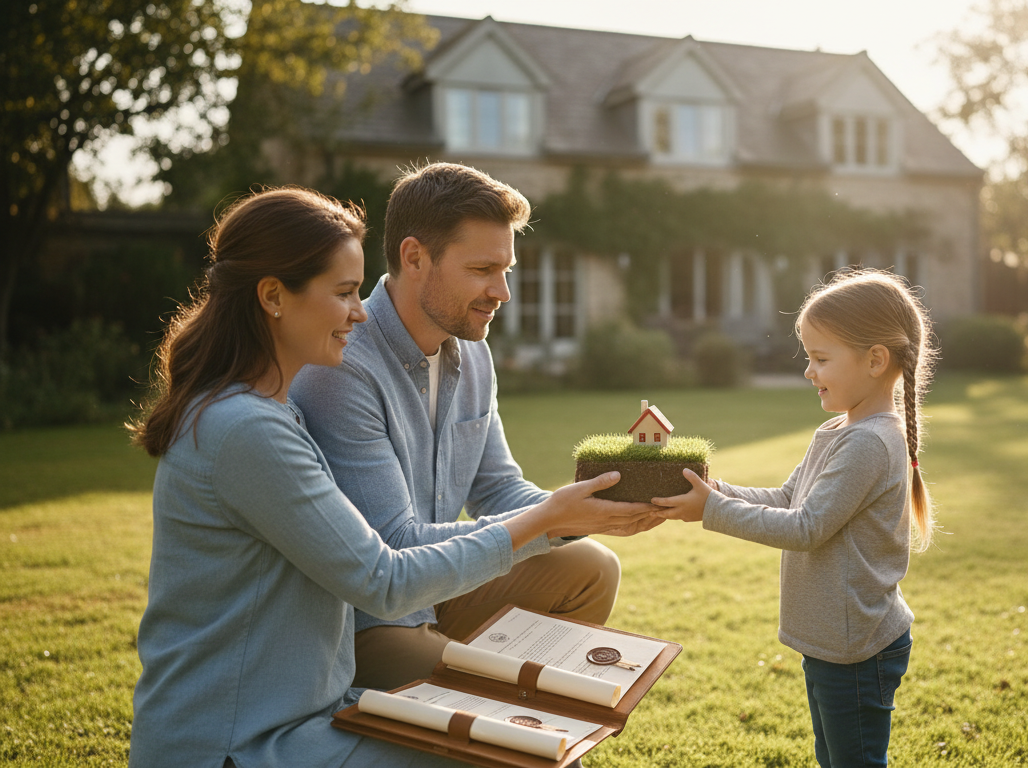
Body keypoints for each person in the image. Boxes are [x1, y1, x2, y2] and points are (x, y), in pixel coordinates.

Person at [126, 187, 651, 768]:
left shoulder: (271, 412)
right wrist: (548, 519)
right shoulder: (252, 428)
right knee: (517, 750)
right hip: (240, 743)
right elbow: (383, 577)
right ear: (273, 297)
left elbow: (483, 497)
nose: (358, 310)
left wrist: (576, 513)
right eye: (345, 292)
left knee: (531, 740)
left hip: (310, 708)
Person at [290, 163, 653, 692]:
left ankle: (512, 696)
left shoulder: (474, 355)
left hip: (442, 586)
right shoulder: (342, 370)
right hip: (366, 619)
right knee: (494, 690)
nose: (502, 292)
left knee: (591, 567)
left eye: (506, 270)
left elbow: (497, 488)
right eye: (483, 269)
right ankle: (499, 702)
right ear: (415, 258)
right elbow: (395, 547)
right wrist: (551, 517)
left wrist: (587, 509)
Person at [652, 269, 937, 768]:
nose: (809, 372)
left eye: (821, 359)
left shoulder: (869, 442)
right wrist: (716, 491)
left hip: (857, 648)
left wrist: (712, 511)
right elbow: (788, 497)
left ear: (875, 360)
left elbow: (806, 528)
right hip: (834, 640)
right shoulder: (839, 429)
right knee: (833, 757)